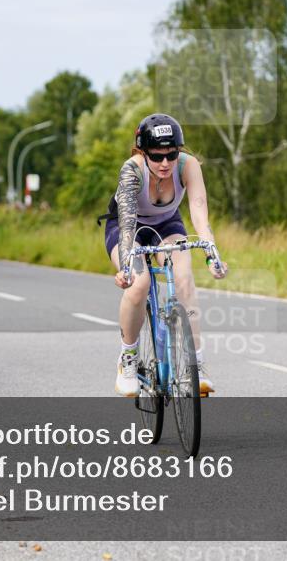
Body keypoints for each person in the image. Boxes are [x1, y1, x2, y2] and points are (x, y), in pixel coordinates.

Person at [102, 113, 228, 397]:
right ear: (142, 152)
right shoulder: (131, 171)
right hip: (127, 228)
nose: (165, 163)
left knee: (184, 279)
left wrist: (212, 254)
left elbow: (198, 212)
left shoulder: (188, 166)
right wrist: (125, 266)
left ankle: (196, 366)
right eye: (157, 156)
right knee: (140, 283)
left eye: (171, 155)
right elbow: (127, 223)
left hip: (168, 224)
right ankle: (128, 360)